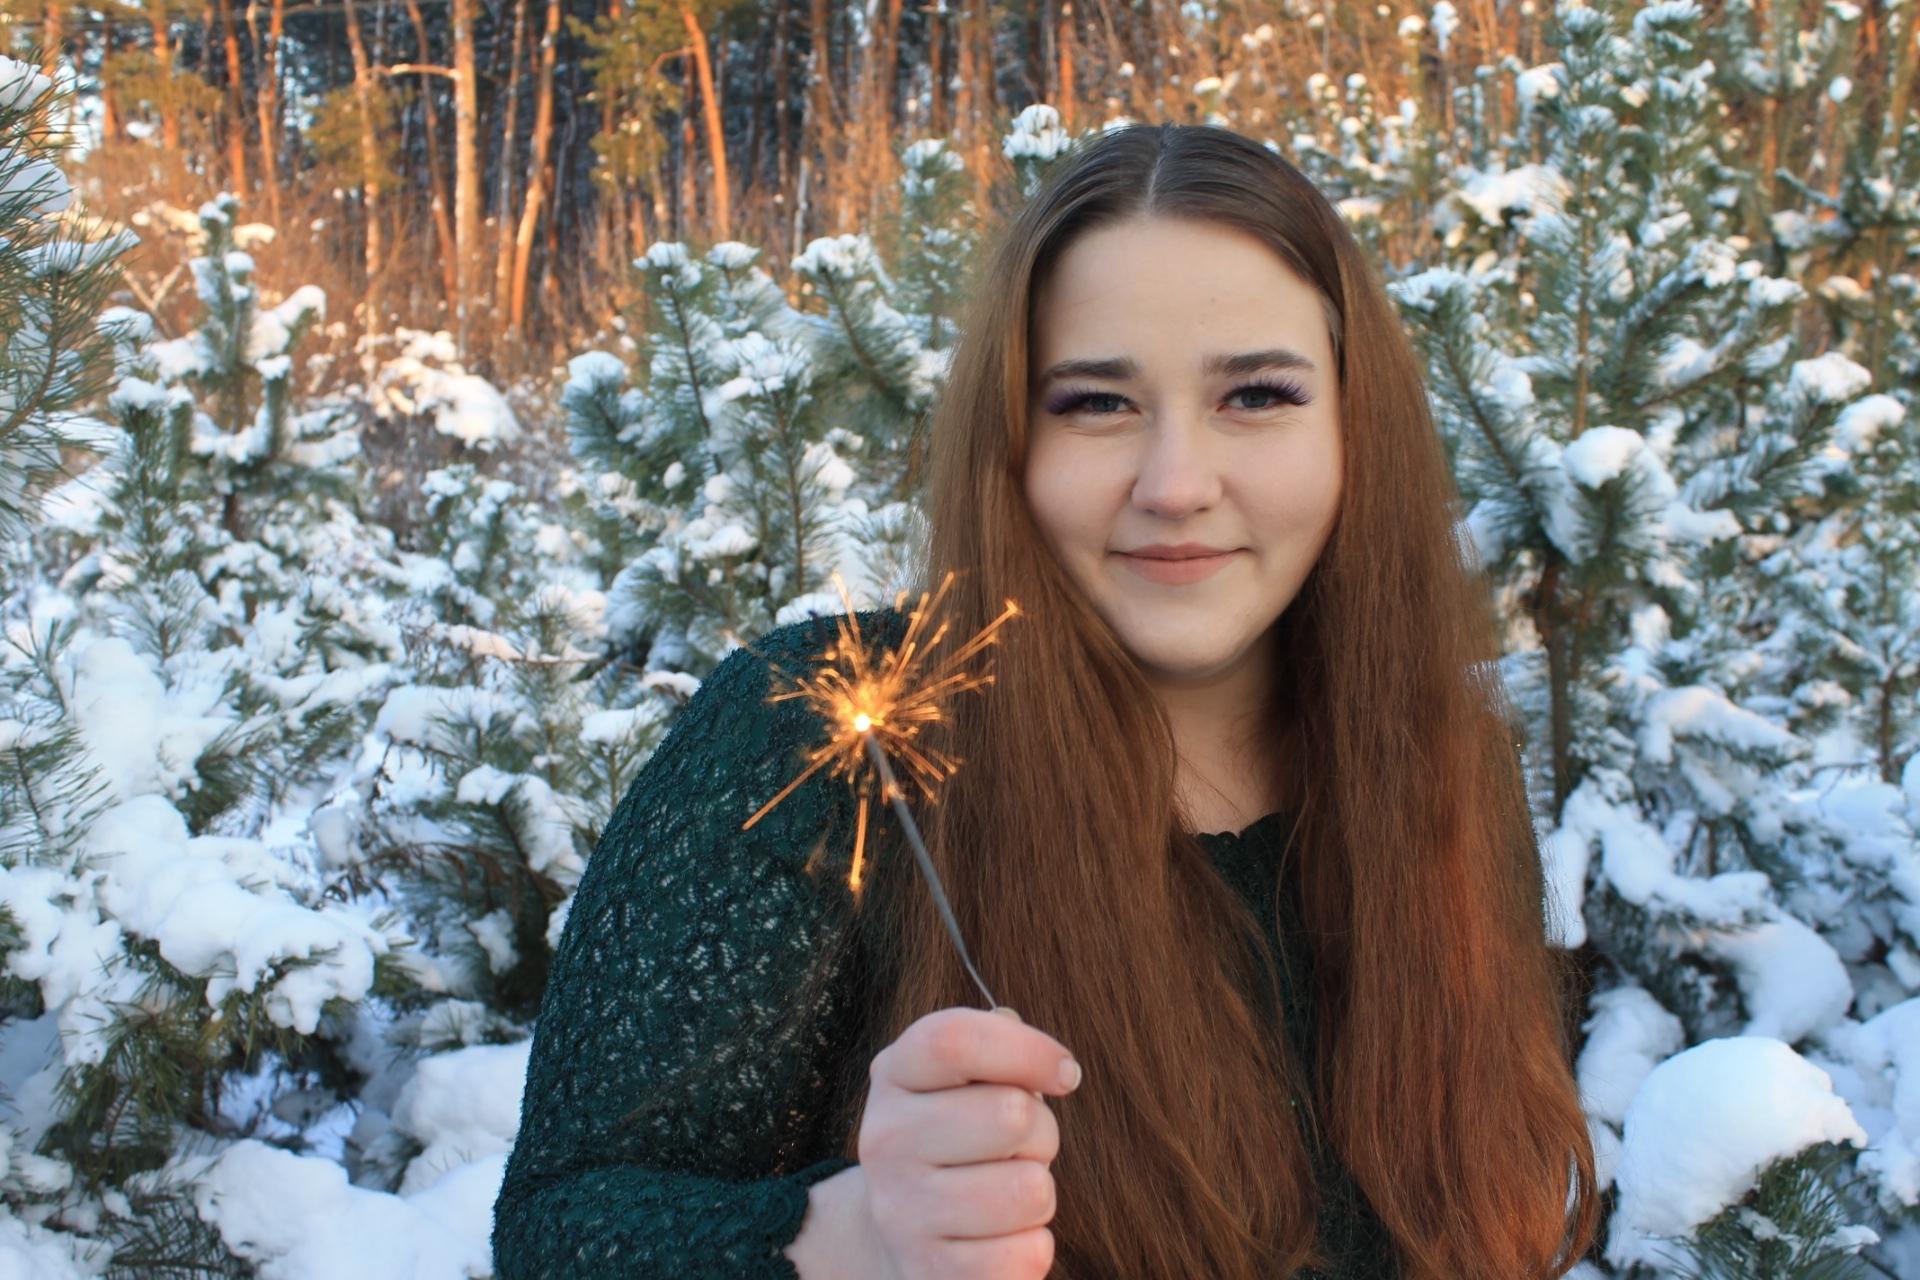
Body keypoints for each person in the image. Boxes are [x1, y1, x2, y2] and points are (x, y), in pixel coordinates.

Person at [491, 121, 1602, 1280]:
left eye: (1256, 394)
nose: (1176, 484)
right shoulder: (829, 738)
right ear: (1011, 438)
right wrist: (853, 1234)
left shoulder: (1442, 766)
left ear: (1354, 426)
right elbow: (558, 1232)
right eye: (1096, 403)